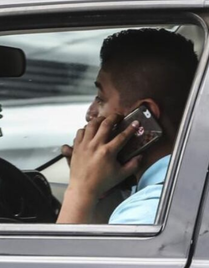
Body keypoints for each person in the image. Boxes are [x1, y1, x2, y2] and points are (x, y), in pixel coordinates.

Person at [57, 28, 200, 225]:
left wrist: (80, 190)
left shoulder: (147, 212)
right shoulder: (184, 183)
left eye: (101, 99)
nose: (90, 113)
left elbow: (62, 256)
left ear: (140, 121)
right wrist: (98, 189)